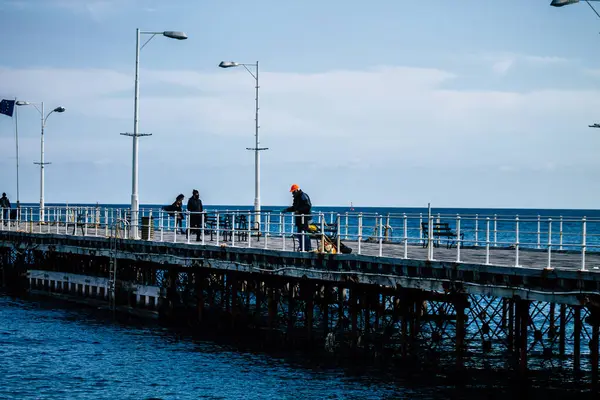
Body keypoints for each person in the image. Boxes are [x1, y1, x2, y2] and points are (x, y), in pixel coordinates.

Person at [283, 184, 312, 251]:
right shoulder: (296, 198)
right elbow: (294, 208)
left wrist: (299, 211)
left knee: (305, 234)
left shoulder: (303, 196)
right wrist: (287, 209)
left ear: (296, 190)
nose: (292, 193)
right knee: (300, 234)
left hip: (305, 218)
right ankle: (302, 247)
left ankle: (308, 248)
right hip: (299, 219)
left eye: (293, 192)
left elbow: (308, 206)